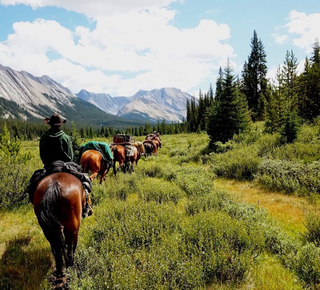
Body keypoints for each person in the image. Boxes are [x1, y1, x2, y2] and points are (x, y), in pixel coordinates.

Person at [27, 114, 93, 217]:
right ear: (60, 125)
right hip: (65, 166)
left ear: (50, 124)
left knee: (33, 184)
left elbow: (42, 154)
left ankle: (34, 202)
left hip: (49, 166)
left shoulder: (44, 136)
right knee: (84, 180)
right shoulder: (65, 137)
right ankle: (86, 206)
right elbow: (70, 155)